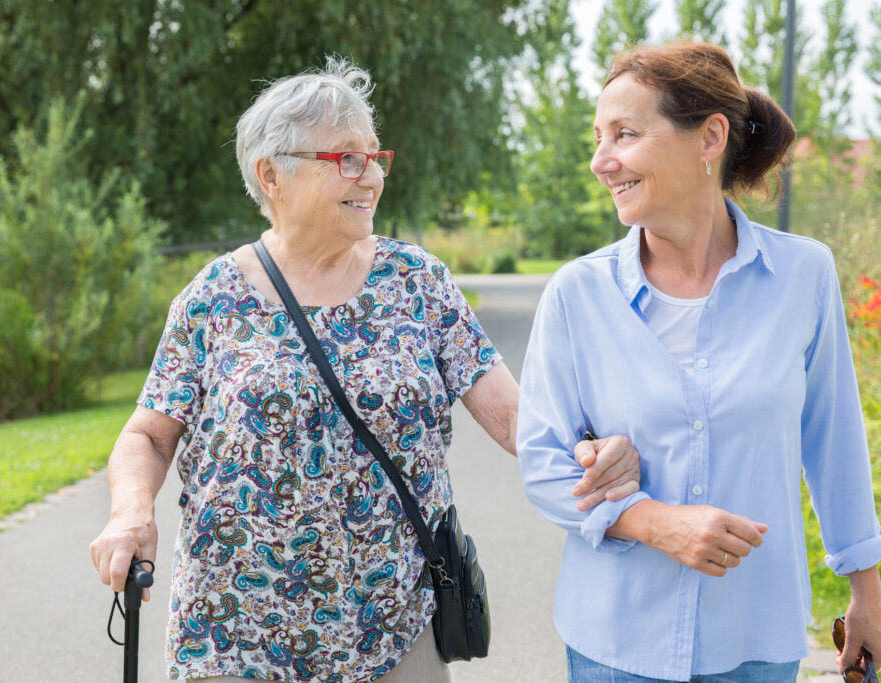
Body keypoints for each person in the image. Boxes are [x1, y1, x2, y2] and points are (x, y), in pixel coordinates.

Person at [90, 57, 641, 683]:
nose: (372, 177)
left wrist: (591, 452)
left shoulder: (417, 282)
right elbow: (149, 434)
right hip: (234, 637)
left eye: (376, 157)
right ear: (271, 175)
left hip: (392, 633)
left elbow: (515, 416)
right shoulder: (212, 297)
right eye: (347, 159)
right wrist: (131, 511)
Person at [516, 41, 881, 682]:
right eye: (597, 139)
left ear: (709, 137)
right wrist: (655, 522)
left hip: (757, 639)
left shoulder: (804, 275)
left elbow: (835, 446)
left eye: (625, 134)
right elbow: (543, 461)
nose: (602, 161)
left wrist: (868, 592)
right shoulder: (577, 293)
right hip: (615, 644)